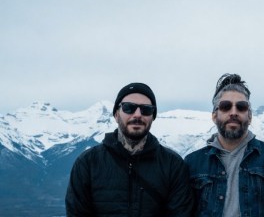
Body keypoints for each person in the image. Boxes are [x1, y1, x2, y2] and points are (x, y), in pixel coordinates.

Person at [65, 82, 194, 216]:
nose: (137, 115)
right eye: (128, 108)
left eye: (146, 109)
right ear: (116, 115)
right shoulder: (88, 162)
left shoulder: (173, 165)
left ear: (152, 117)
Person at [184, 73, 264, 217]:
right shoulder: (193, 163)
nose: (233, 112)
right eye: (225, 106)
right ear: (214, 116)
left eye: (241, 107)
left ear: (250, 116)